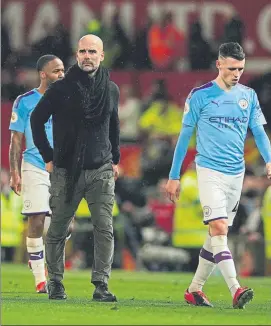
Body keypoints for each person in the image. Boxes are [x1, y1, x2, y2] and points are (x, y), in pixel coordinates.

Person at [165, 42, 271, 309]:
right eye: (232, 68)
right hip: (209, 170)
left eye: (241, 69)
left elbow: (258, 132)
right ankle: (236, 289)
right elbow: (185, 136)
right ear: (219, 64)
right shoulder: (200, 95)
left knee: (215, 236)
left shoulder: (248, 95)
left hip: (237, 173)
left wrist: (269, 160)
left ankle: (194, 290)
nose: (237, 74)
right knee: (220, 229)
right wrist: (174, 175)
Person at [30, 34, 120, 302]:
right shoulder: (60, 88)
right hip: (66, 170)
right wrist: (48, 155)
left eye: (92, 51)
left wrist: (114, 159)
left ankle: (101, 285)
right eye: (82, 51)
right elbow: (36, 120)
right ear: (76, 55)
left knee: (104, 228)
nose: (87, 56)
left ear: (102, 56)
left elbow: (114, 126)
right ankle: (55, 283)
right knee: (58, 229)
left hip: (101, 169)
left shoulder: (111, 89)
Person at [9, 55, 65, 293]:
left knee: (66, 225)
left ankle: (49, 262)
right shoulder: (25, 102)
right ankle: (41, 278)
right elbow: (15, 139)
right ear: (43, 74)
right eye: (56, 71)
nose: (62, 74)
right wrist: (14, 172)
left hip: (62, 167)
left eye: (63, 70)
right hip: (34, 165)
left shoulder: (68, 100)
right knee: (37, 219)